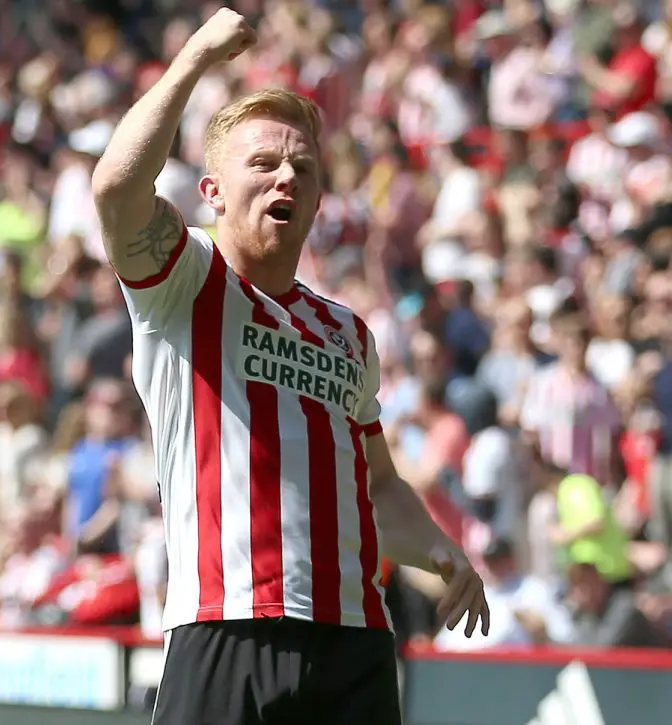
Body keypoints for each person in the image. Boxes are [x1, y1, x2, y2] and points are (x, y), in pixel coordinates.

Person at [92, 9, 490, 725]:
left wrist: (438, 546)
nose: (287, 178)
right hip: (228, 626)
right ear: (212, 191)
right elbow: (117, 189)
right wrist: (194, 58)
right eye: (264, 164)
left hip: (356, 641)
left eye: (303, 168)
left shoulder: (347, 332)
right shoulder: (185, 279)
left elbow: (378, 483)